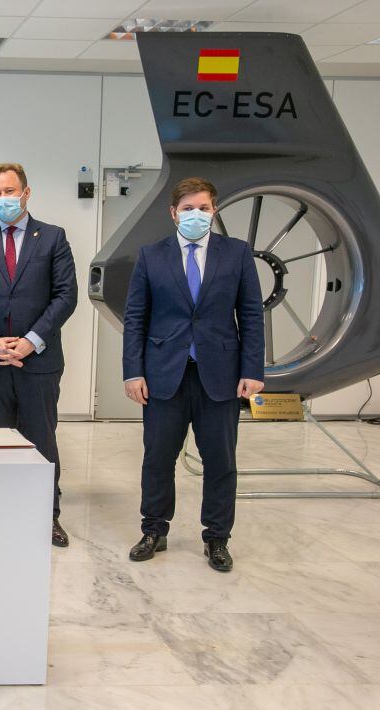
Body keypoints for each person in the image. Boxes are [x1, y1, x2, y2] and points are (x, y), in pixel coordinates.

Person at [122, 177, 264, 572]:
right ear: (173, 213)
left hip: (220, 375)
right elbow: (136, 318)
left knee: (220, 461)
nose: (195, 215)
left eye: (203, 208)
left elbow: (251, 314)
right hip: (165, 374)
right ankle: (154, 530)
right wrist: (133, 371)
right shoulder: (152, 255)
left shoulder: (236, 254)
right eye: (187, 209)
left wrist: (253, 369)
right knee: (157, 458)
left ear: (214, 210)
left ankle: (217, 538)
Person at [0, 162, 78, 547]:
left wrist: (32, 339)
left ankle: (47, 517)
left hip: (38, 361)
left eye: (9, 191)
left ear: (26, 192)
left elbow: (66, 295)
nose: (3, 199)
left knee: (41, 440)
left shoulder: (53, 238)